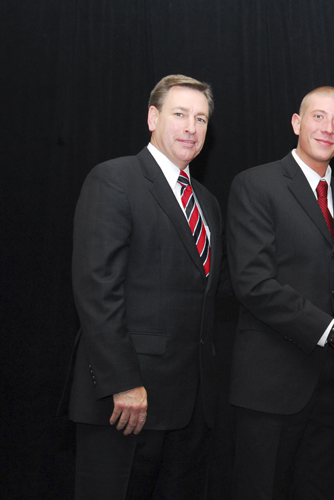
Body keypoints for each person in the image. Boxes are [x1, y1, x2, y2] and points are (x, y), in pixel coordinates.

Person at [67, 74, 229, 499]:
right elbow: (96, 287)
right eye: (179, 114)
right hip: (125, 403)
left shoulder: (207, 202)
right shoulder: (114, 179)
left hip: (191, 408)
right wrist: (123, 381)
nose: (191, 128)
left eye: (201, 118)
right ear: (153, 118)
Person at [227, 86, 334, 499]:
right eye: (318, 117)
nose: (327, 128)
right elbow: (253, 283)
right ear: (297, 124)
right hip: (272, 386)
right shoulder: (256, 185)